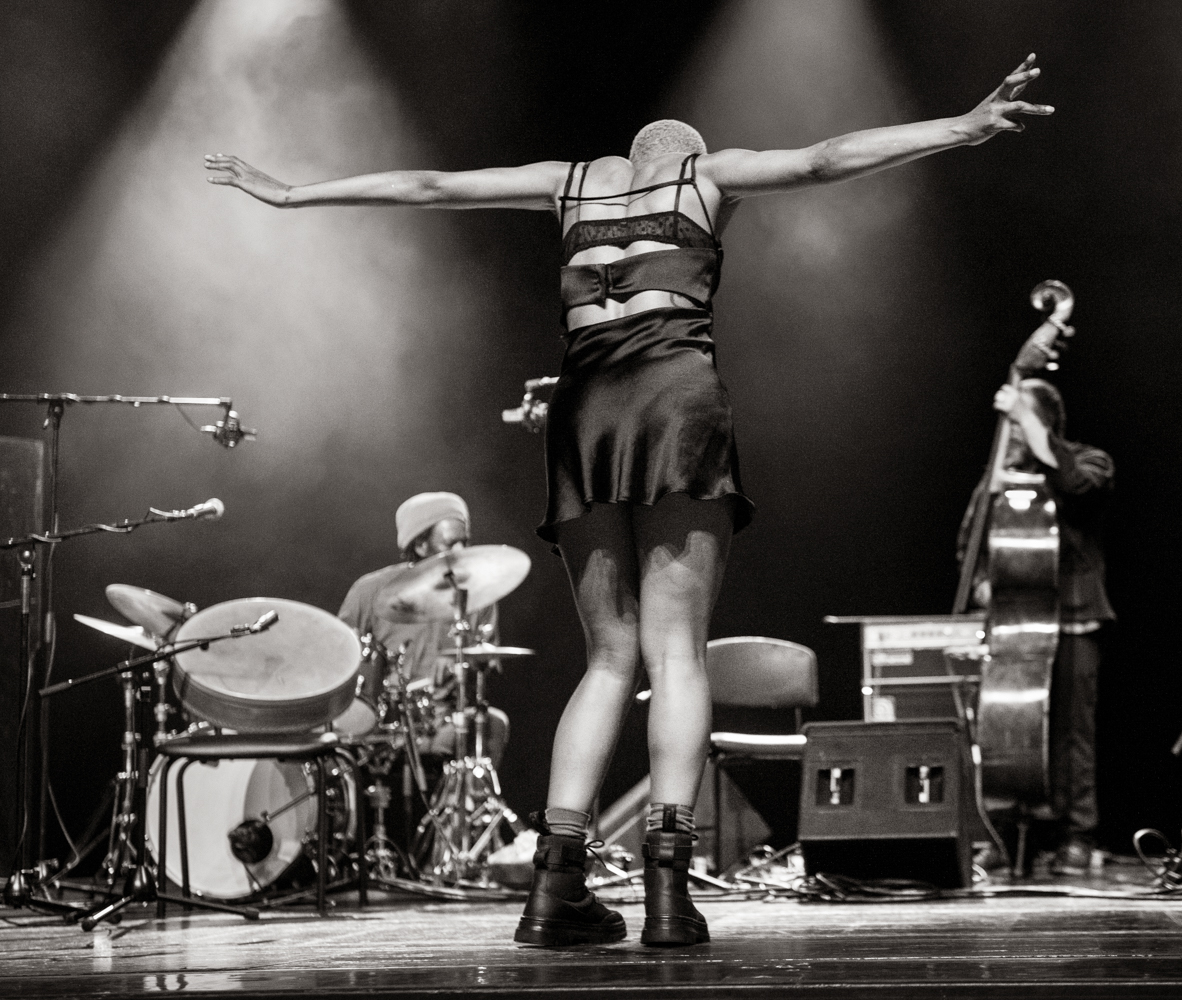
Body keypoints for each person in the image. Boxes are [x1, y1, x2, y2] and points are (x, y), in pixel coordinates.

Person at [207, 55, 1052, 946]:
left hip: (582, 412)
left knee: (607, 657)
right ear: (680, 150)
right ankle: (666, 892)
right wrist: (961, 125)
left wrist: (293, 193)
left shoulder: (567, 185)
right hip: (675, 397)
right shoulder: (704, 172)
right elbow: (827, 157)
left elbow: (427, 185)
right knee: (677, 655)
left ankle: (555, 885)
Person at [956, 378, 1114, 875]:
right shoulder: (998, 477)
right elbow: (970, 545)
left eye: (1022, 421)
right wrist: (982, 582)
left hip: (1072, 620)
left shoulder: (1089, 461)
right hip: (1013, 627)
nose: (1015, 433)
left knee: (1072, 737)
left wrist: (1027, 420)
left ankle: (1077, 837)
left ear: (1043, 420)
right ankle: (1003, 835)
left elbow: (1073, 486)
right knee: (1005, 732)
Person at [338, 492, 508, 764]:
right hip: (384, 720)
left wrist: (463, 658)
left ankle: (473, 804)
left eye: (465, 542)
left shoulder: (478, 593)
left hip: (446, 718)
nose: (462, 553)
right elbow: (340, 657)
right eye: (451, 544)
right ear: (420, 545)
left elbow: (487, 655)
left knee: (493, 724)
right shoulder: (369, 591)